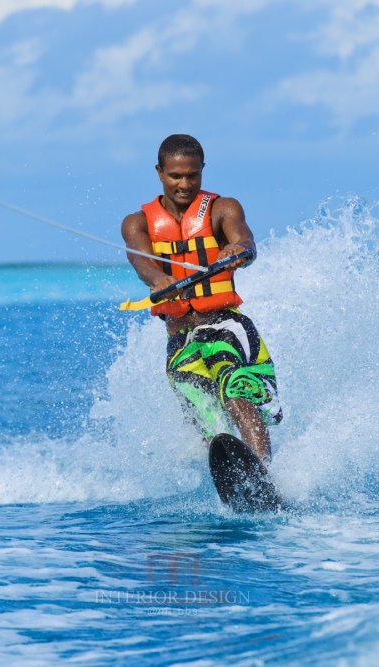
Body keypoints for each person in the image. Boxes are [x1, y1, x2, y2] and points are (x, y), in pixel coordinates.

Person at [121, 134, 282, 462]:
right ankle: (233, 481)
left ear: (202, 170)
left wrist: (240, 250)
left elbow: (246, 242)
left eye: (192, 175)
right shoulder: (137, 223)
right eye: (175, 176)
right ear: (159, 172)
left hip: (225, 327)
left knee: (237, 394)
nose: (184, 184)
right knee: (207, 424)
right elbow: (141, 261)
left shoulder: (223, 209)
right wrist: (158, 279)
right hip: (181, 340)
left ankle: (264, 474)